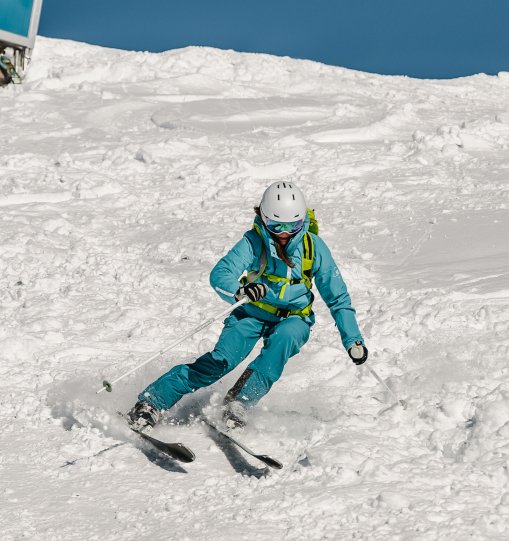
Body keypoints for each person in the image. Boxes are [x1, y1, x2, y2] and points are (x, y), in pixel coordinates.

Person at [129, 180, 368, 430]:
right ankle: (151, 403)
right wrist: (239, 291)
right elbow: (221, 273)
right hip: (251, 314)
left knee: (281, 345)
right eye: (277, 226)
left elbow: (337, 297)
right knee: (220, 362)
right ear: (264, 218)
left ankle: (238, 402)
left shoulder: (314, 247)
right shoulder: (253, 242)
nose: (285, 234)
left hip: (293, 318)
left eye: (293, 225)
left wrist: (353, 339)